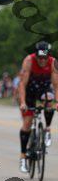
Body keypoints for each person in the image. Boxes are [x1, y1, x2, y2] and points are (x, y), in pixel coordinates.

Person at [18, 41, 58, 173]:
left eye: (44, 58)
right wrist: (23, 102)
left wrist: (57, 101)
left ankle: (47, 129)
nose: (42, 61)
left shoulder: (53, 62)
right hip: (29, 90)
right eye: (40, 58)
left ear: (48, 56)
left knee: (50, 99)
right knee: (27, 124)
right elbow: (22, 84)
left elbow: (56, 85)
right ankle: (23, 157)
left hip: (43, 89)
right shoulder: (28, 61)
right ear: (36, 55)